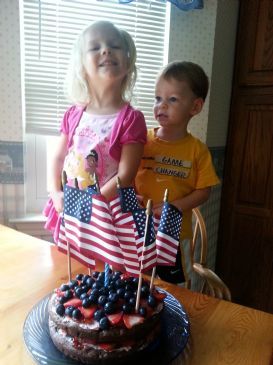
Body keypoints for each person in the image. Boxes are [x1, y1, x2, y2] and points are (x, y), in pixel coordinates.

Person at [44, 20, 147, 242]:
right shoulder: (73, 114)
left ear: (128, 61)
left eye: (114, 45)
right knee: (71, 269)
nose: (106, 50)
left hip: (107, 216)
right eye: (95, 47)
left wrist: (90, 203)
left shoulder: (131, 119)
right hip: (70, 209)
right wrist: (56, 193)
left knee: (104, 273)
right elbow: (58, 157)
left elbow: (125, 175)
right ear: (82, 66)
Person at [135, 61, 220, 284]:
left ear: (195, 107)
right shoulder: (142, 142)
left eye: (172, 99)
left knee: (174, 288)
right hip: (136, 229)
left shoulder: (197, 150)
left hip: (174, 234)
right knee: (137, 285)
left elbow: (204, 191)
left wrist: (175, 206)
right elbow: (126, 175)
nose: (161, 105)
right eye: (157, 98)